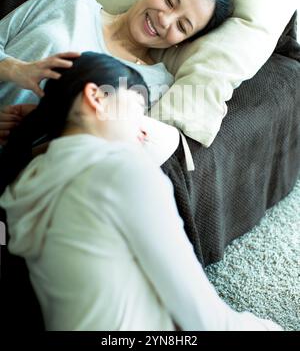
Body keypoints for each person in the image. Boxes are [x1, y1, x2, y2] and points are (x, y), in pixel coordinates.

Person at [0, 52, 282, 331]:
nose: (145, 131)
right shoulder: (122, 171)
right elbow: (207, 321)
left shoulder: (27, 183)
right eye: (137, 109)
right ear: (97, 98)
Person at [0, 0, 234, 144]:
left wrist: (38, 125)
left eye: (182, 26)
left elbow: (101, 148)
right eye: (169, 0)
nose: (165, 20)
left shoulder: (153, 83)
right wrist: (17, 70)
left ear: (183, 42)